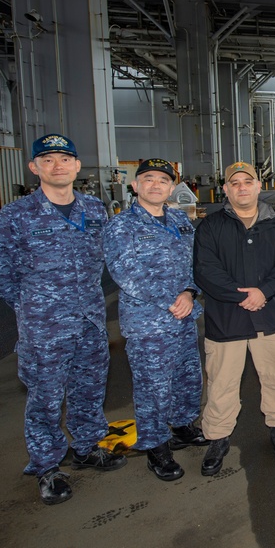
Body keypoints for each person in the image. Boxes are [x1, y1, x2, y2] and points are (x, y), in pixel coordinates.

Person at [0, 133, 126, 506]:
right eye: (47, 160)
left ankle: (86, 446)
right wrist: (32, 305)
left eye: (64, 159)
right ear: (34, 168)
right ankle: (47, 466)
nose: (57, 166)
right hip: (44, 326)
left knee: (90, 387)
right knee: (45, 397)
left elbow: (107, 259)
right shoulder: (16, 216)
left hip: (91, 319)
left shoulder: (95, 210)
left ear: (77, 166)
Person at [104, 158, 209, 482]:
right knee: (153, 388)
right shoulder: (121, 226)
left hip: (183, 317)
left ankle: (182, 426)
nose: (155, 185)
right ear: (135, 186)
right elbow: (125, 271)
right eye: (147, 179)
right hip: (148, 322)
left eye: (162, 180)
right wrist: (171, 300)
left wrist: (190, 293)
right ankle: (155, 448)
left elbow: (195, 263)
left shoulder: (179, 220)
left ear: (171, 187)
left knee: (188, 378)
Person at [193, 161, 275, 476]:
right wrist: (243, 295)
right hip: (227, 320)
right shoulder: (211, 227)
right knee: (222, 383)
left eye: (247, 181)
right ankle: (218, 437)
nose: (241, 187)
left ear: (258, 186)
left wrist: (263, 292)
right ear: (225, 189)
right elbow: (205, 270)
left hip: (271, 316)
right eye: (234, 182)